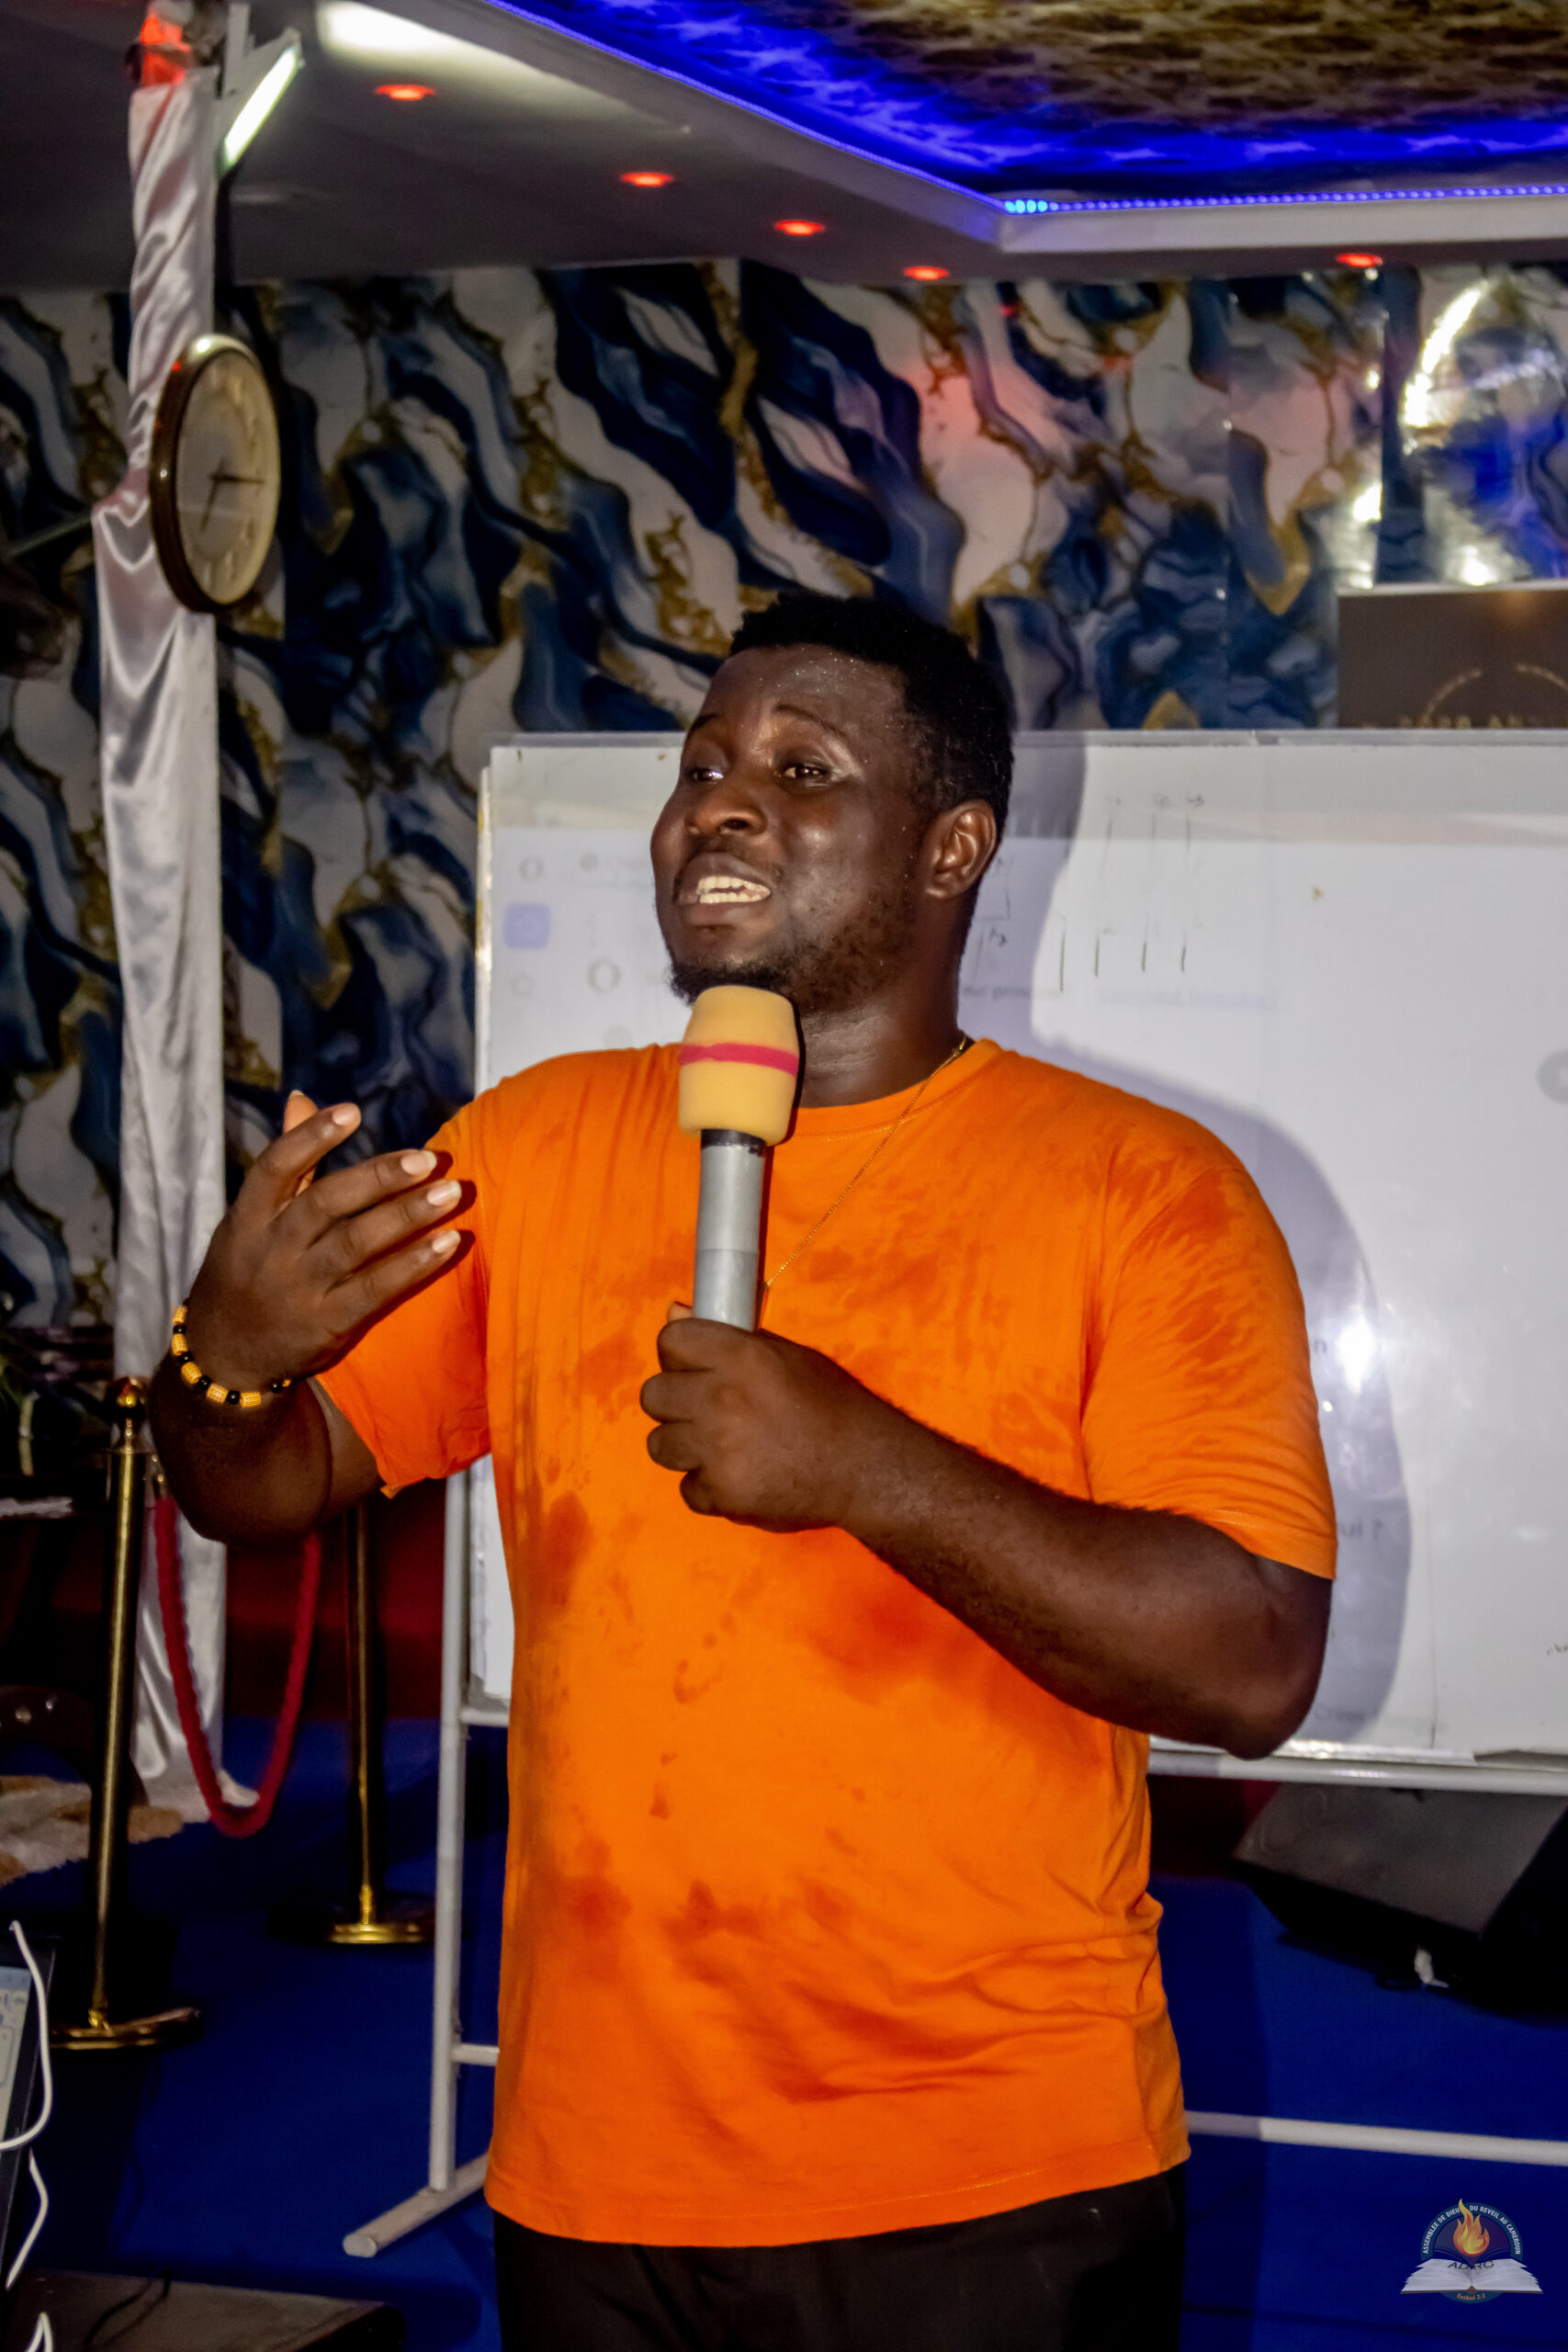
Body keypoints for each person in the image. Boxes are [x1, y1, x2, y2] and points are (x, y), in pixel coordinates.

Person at [151, 594, 1336, 2351]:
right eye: (702, 763)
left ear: (952, 849)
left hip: (993, 2178)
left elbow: (1250, 1661)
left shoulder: (1145, 1190)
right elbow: (258, 1487)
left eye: (803, 769)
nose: (720, 800)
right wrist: (221, 1363)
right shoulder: (535, 1143)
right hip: (594, 2175)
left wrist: (868, 1468)